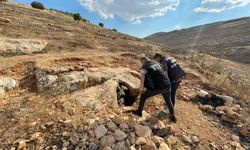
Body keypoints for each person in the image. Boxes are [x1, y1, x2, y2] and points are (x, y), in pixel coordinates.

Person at [133, 54, 177, 123]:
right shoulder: (155, 63)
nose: (141, 63)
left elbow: (142, 78)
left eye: (141, 62)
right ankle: (173, 116)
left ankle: (139, 112)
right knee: (168, 101)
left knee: (143, 96)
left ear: (143, 61)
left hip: (159, 86)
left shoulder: (145, 66)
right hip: (167, 84)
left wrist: (141, 89)